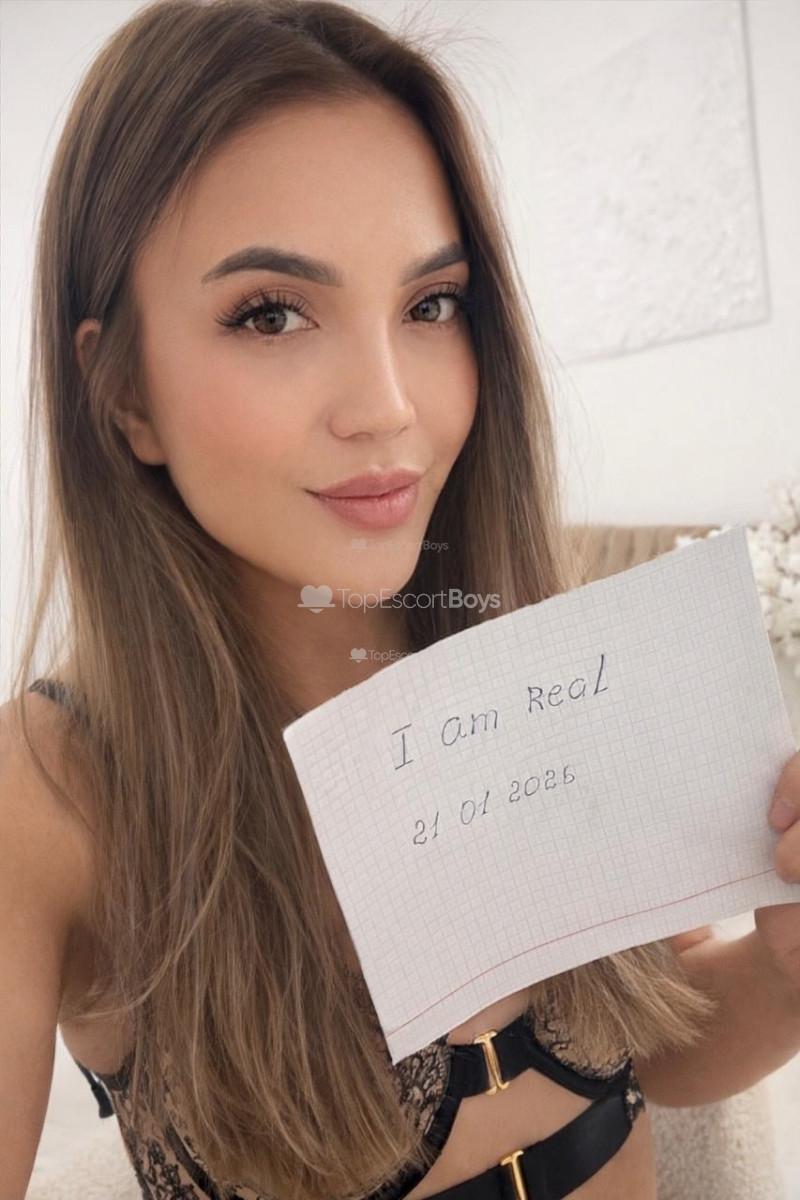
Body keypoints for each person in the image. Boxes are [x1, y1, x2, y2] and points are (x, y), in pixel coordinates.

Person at [2, 1, 799, 1198]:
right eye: (270, 313)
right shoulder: (53, 797)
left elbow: (657, 1040)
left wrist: (784, 971)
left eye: (430, 305)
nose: (387, 405)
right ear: (121, 393)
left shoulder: (538, 653)